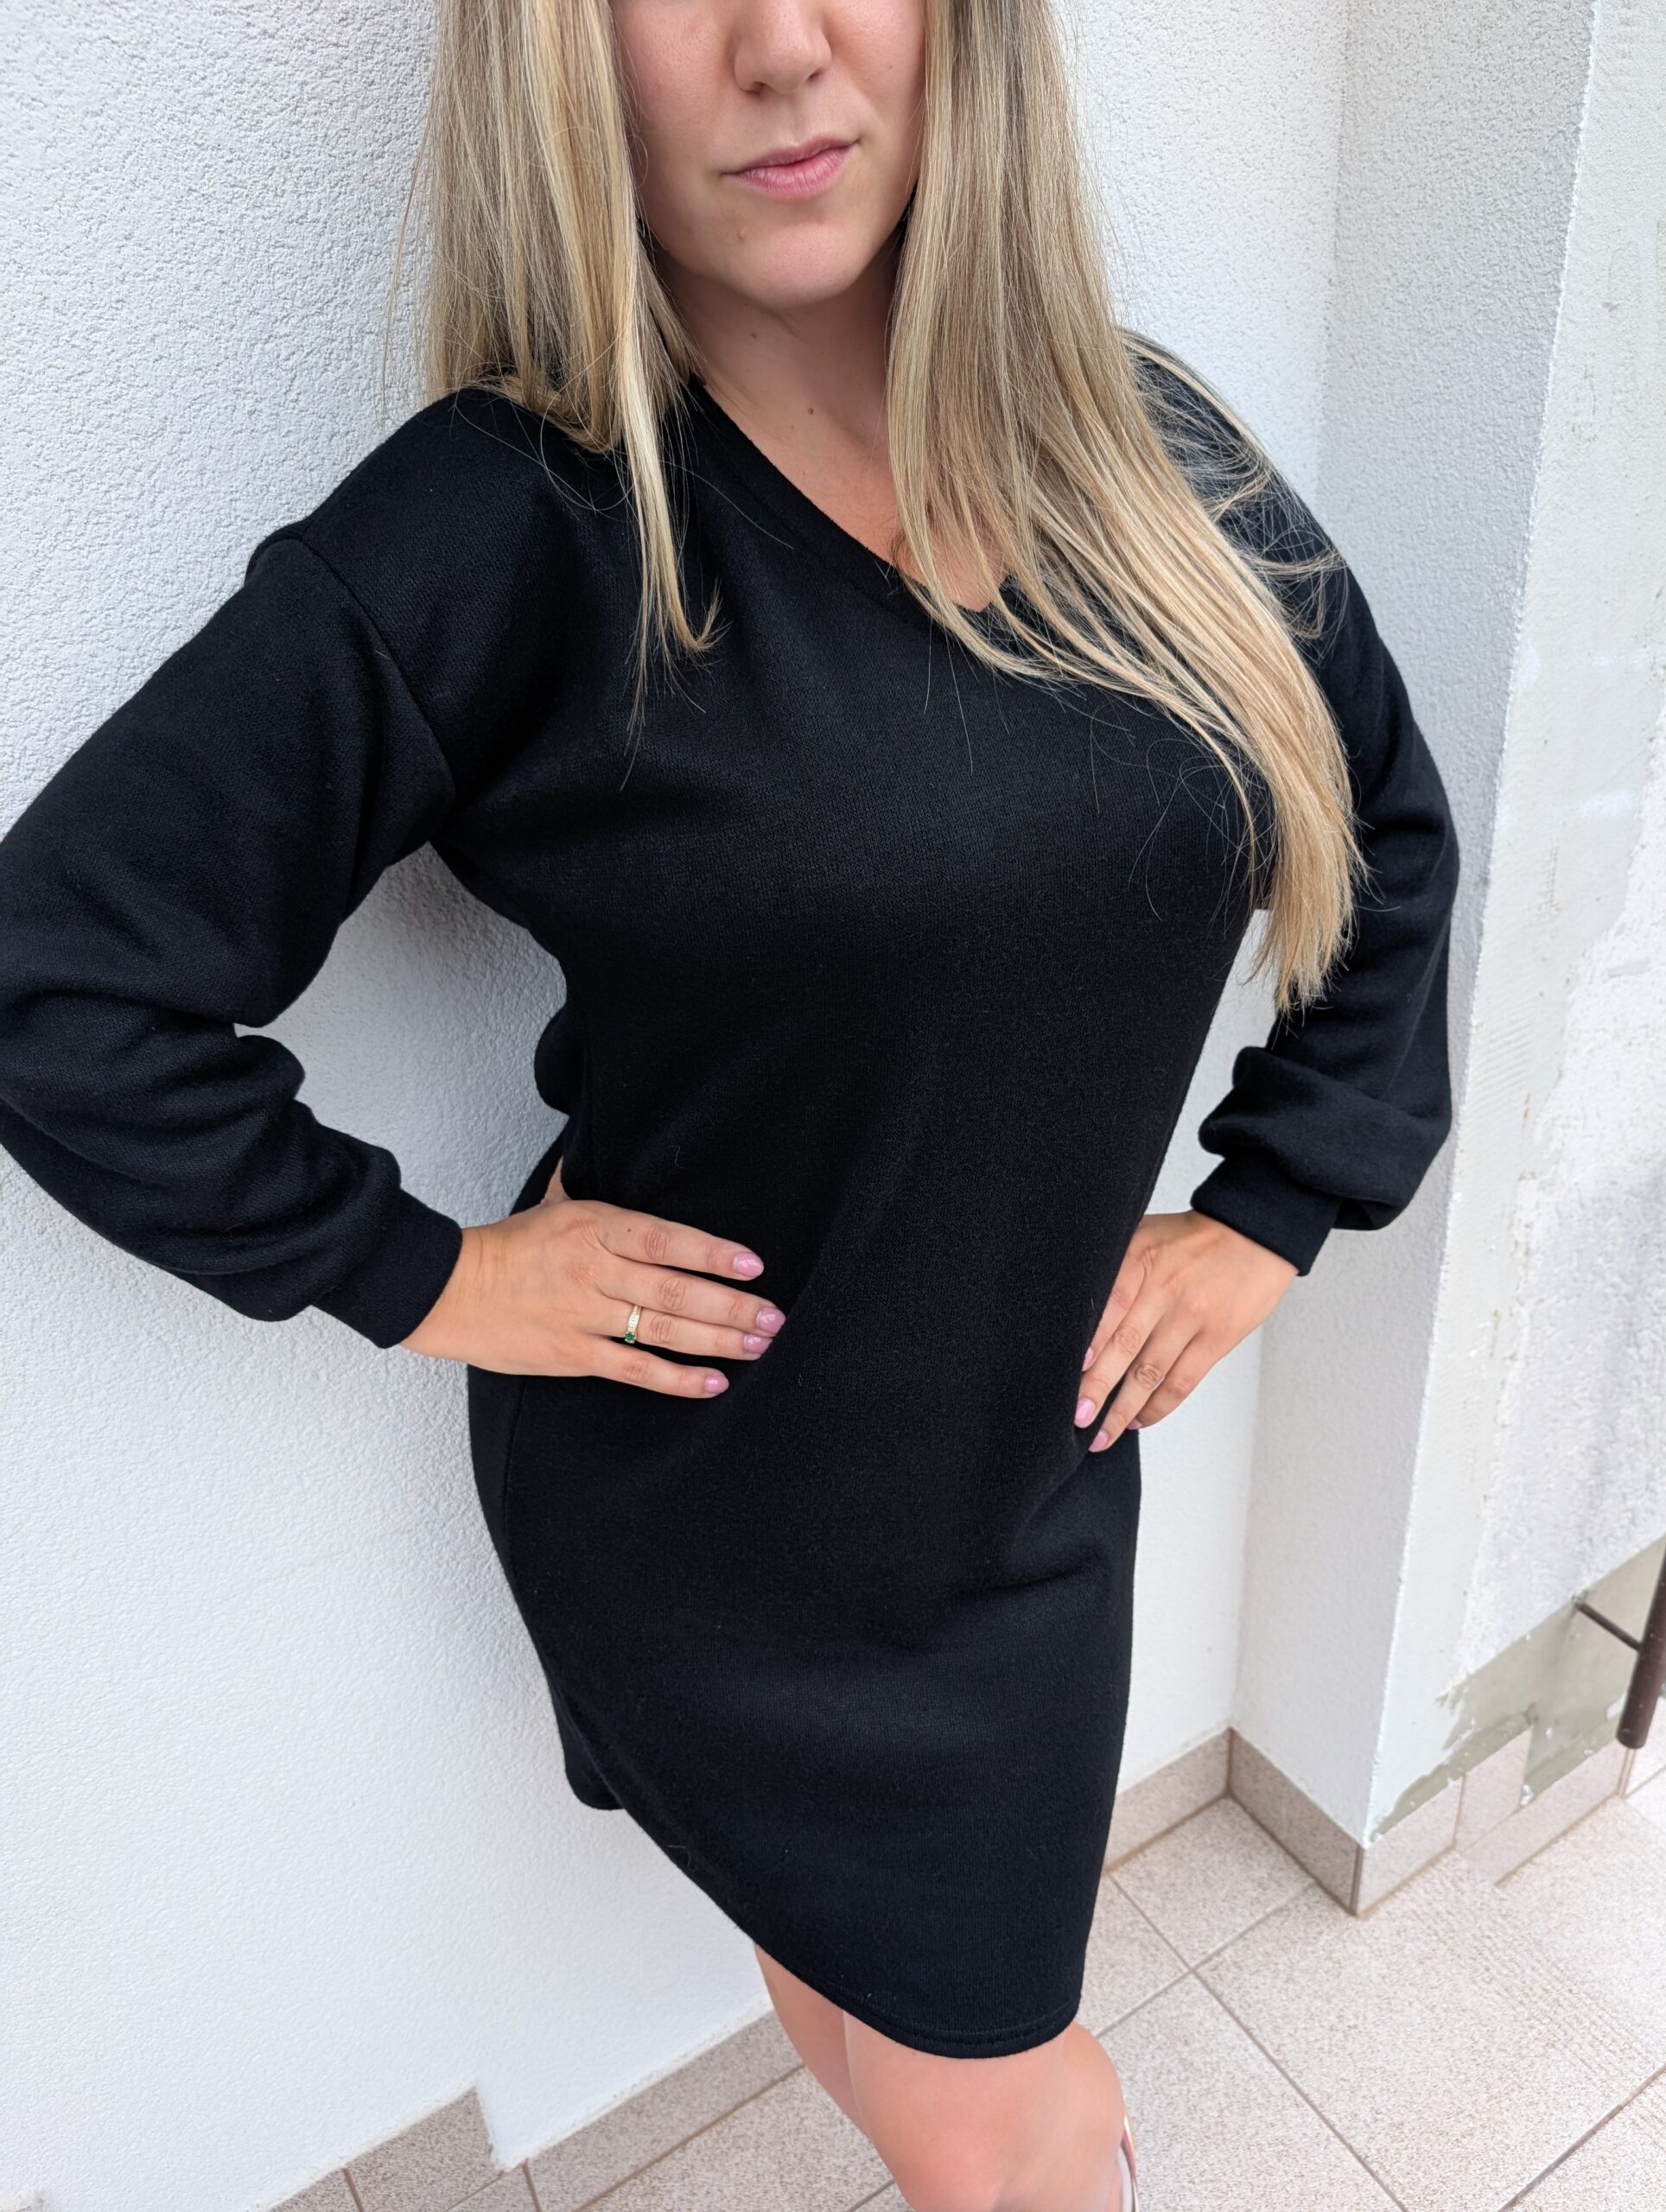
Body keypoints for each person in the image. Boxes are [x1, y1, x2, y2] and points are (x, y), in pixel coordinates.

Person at [0, 3, 1462, 2207]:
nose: (782, 47)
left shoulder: (1158, 464)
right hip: (701, 1503)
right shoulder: (506, 527)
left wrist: (1278, 1200)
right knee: (997, 2107)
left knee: (954, 2044)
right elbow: (62, 978)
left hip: (1016, 1496)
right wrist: (429, 1275)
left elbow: (1386, 838)